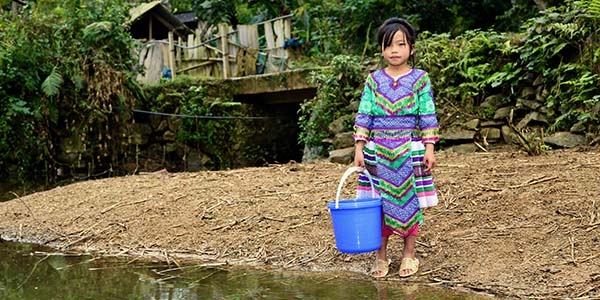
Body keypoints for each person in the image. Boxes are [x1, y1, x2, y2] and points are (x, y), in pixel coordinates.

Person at [353, 17, 440, 278]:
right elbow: (364, 114)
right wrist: (359, 146)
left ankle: (409, 255)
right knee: (379, 205)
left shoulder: (420, 80)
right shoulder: (373, 81)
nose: (394, 50)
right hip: (376, 151)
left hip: (409, 150)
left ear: (410, 48)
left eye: (400, 45)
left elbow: (427, 115)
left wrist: (429, 148)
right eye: (388, 45)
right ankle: (381, 257)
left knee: (409, 202)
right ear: (381, 49)